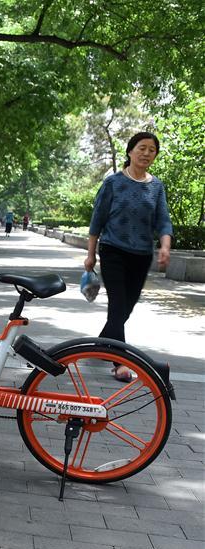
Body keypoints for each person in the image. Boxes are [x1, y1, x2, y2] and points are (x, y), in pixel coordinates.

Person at [84, 131, 173, 382]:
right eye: (142, 148)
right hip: (113, 250)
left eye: (152, 150)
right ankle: (119, 363)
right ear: (130, 151)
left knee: (125, 310)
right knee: (117, 306)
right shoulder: (113, 182)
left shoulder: (156, 186)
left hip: (141, 255)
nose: (146, 153)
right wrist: (91, 255)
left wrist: (165, 247)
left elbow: (163, 221)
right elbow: (97, 220)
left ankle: (101, 343)